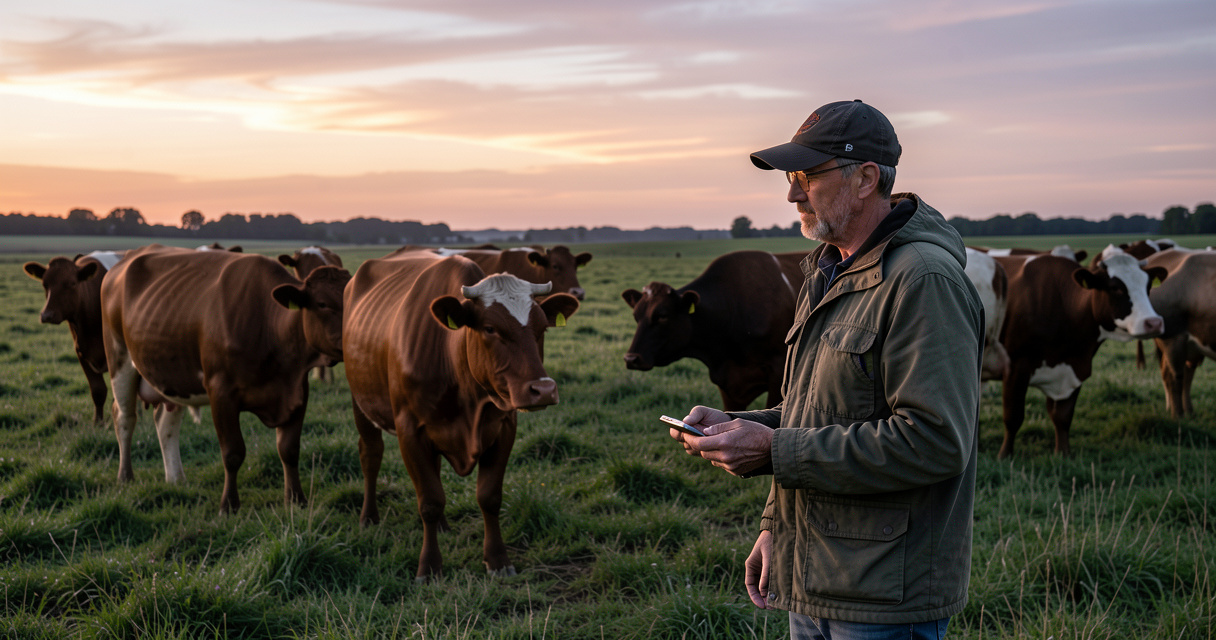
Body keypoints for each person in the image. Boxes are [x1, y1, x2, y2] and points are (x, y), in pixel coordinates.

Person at [671, 100, 983, 639]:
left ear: (865, 179)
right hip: (812, 572)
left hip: (883, 595)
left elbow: (935, 440)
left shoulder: (922, 281)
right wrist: (769, 510)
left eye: (808, 176)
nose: (792, 193)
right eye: (791, 176)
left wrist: (772, 451)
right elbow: (815, 412)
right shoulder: (828, 273)